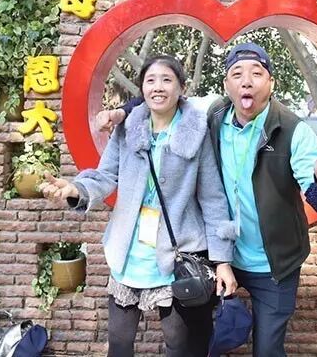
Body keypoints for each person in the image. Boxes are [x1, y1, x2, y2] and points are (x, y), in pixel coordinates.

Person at [99, 43, 317, 357]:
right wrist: (122, 112)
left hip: (272, 262)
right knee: (200, 340)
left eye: (257, 74)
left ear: (271, 83)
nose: (247, 82)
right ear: (226, 84)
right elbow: (160, 96)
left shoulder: (294, 131)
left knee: (267, 349)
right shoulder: (212, 114)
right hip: (215, 256)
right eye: (237, 74)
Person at [40, 55, 238, 357]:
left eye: (167, 80)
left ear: (182, 88)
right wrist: (76, 190)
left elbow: (213, 199)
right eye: (150, 80)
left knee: (179, 344)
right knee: (119, 342)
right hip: (129, 252)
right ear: (142, 88)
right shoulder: (128, 128)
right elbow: (106, 176)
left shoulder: (196, 134)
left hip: (175, 255)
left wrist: (222, 260)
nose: (158, 87)